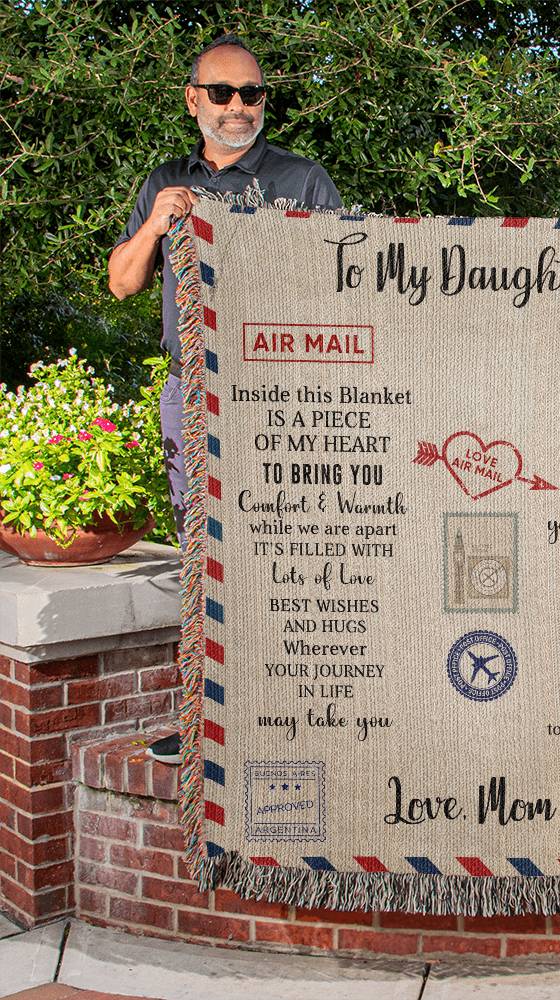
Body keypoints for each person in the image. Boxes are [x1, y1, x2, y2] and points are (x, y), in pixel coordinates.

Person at [109, 34, 342, 765]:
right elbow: (122, 283)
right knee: (201, 560)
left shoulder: (304, 181)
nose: (238, 107)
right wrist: (156, 222)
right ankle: (205, 722)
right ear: (193, 100)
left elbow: (344, 284)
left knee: (292, 557)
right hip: (194, 394)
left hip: (283, 400)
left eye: (251, 94)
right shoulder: (165, 182)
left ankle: (292, 724)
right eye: (222, 93)